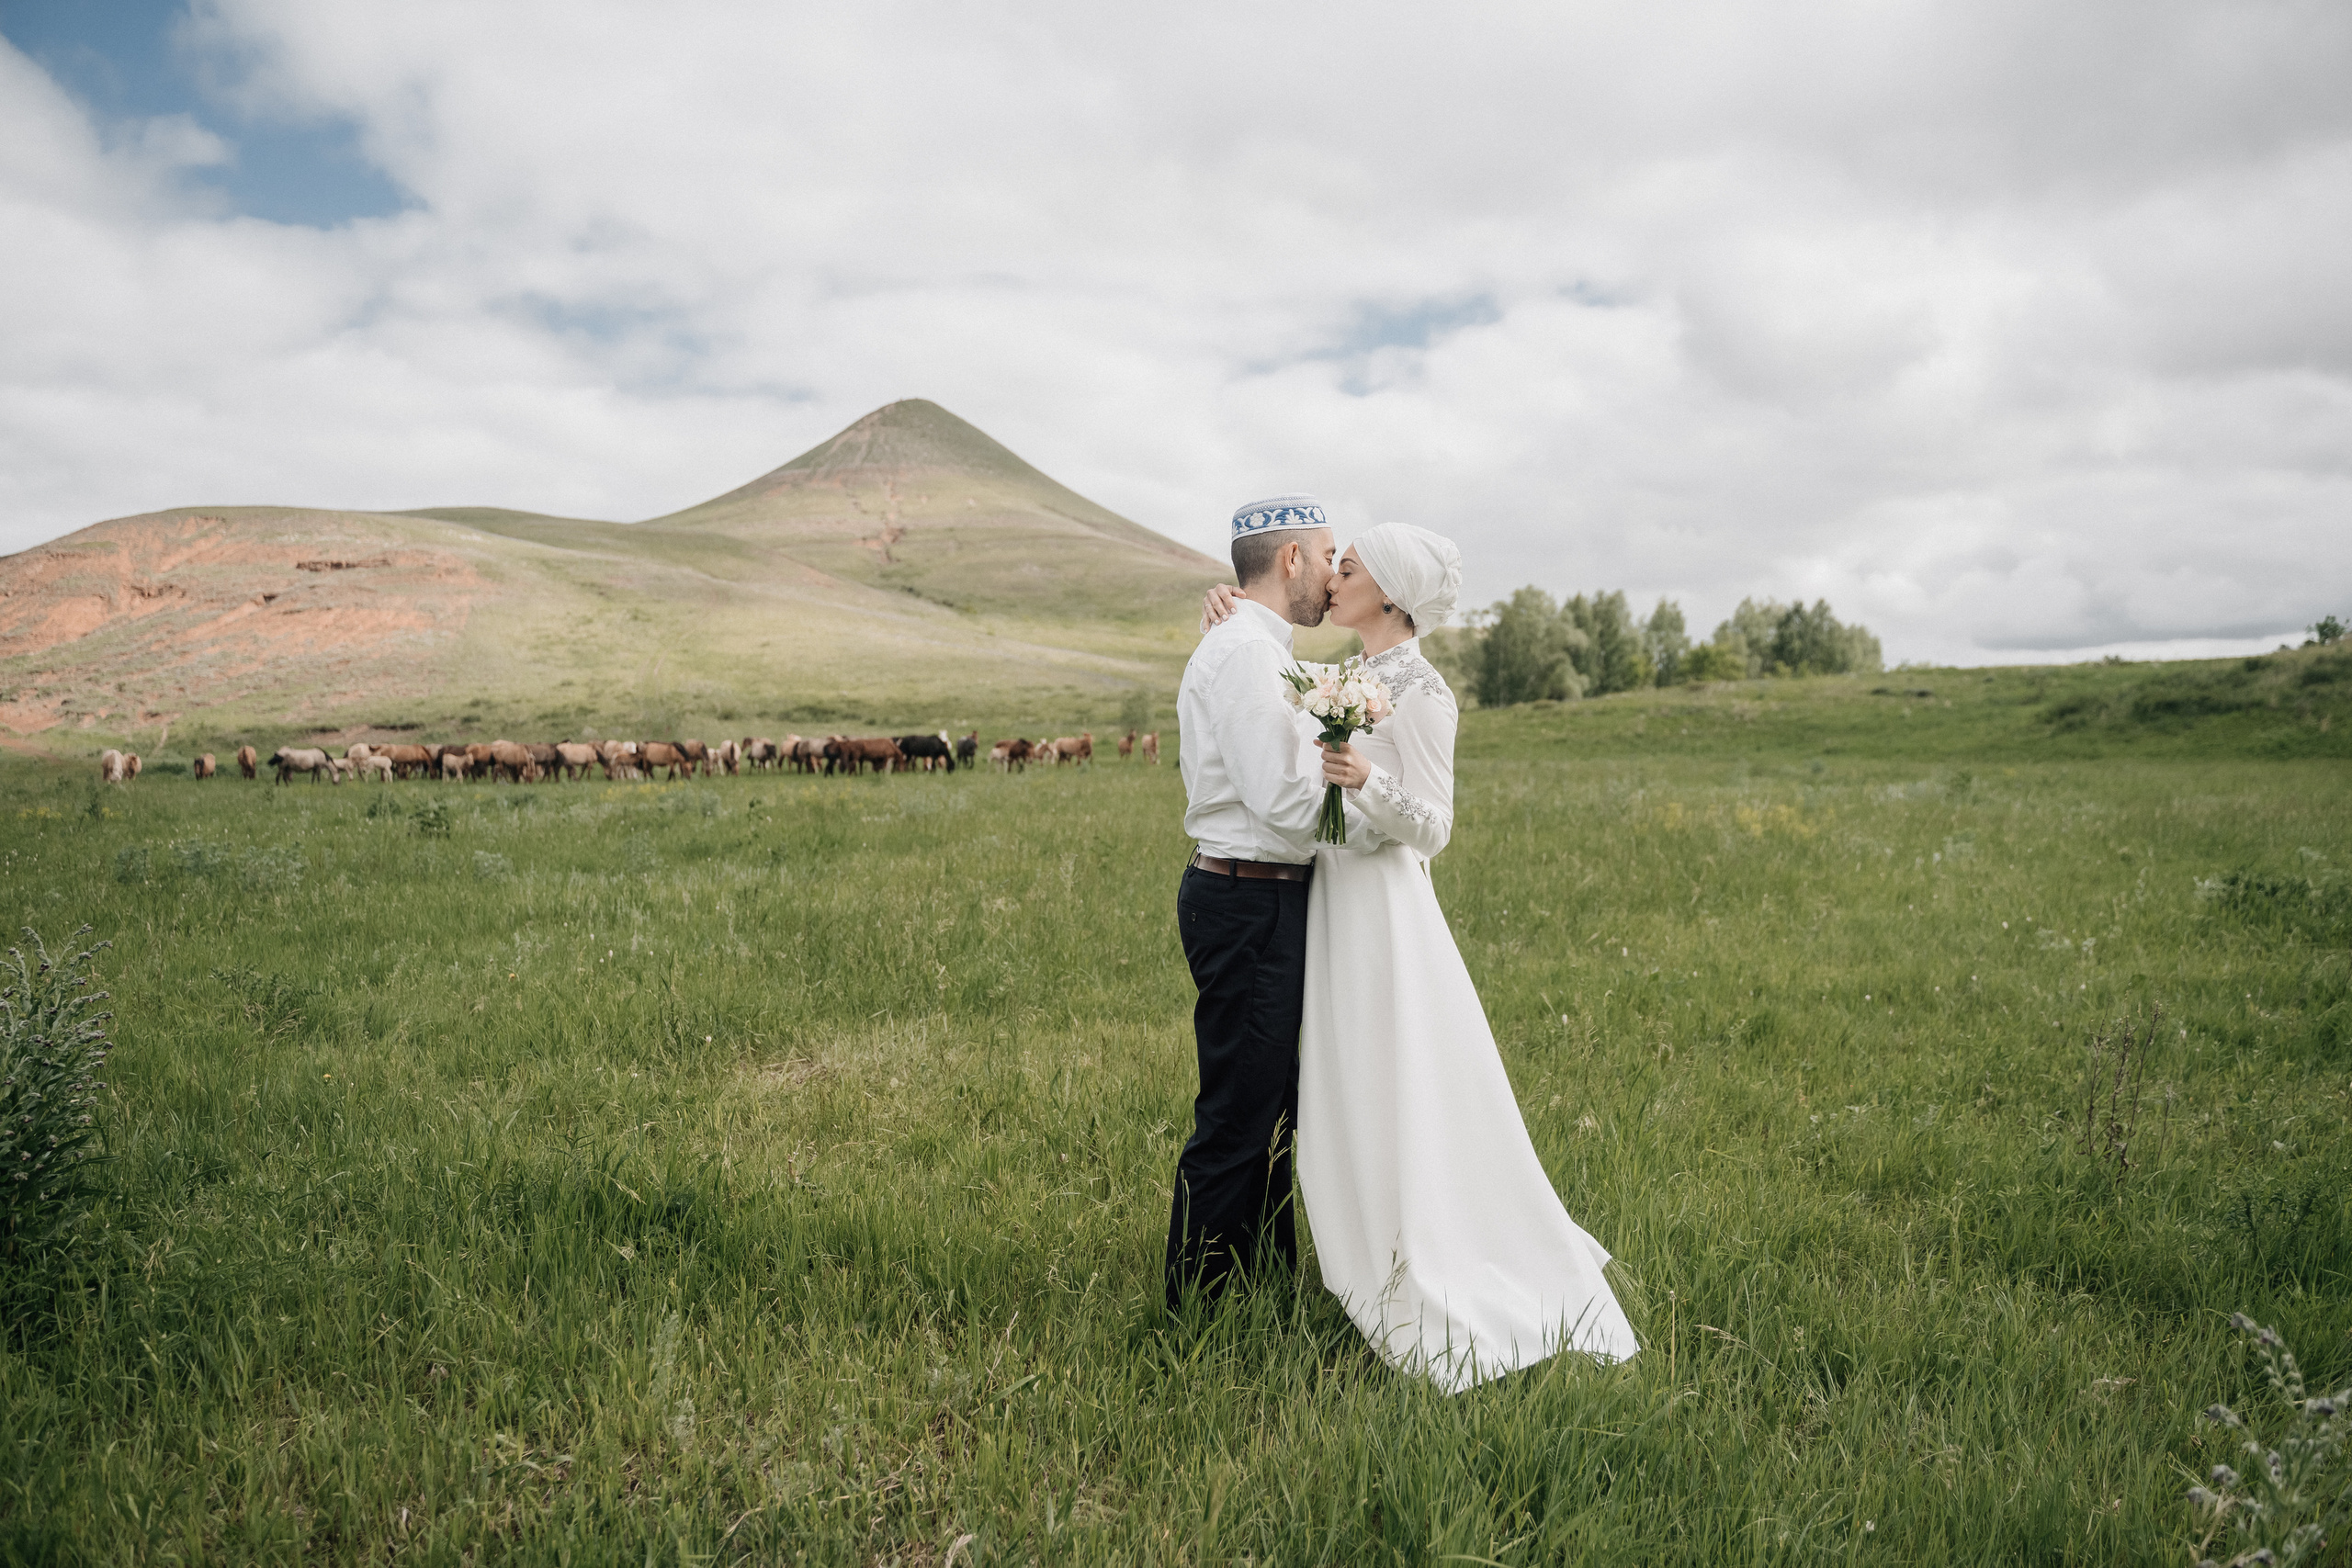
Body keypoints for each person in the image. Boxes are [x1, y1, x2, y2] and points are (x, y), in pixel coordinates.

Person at [1200, 524, 1639, 1391]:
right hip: (1333, 903)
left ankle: (1421, 1256)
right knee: (1341, 1087)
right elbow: (1272, 703)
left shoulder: (1424, 691)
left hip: (1386, 913)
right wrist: (1234, 617)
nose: (1334, 578)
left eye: (1350, 569)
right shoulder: (1348, 677)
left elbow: (1434, 826)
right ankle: (1355, 1241)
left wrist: (1367, 780)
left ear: (1390, 597)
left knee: (1393, 1080)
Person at [1164, 494, 1372, 1310]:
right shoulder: (1246, 655)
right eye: (1325, 557)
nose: (1331, 573)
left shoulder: (1259, 648)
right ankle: (1198, 1307)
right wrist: (1383, 816)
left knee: (1274, 1112)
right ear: (1290, 560)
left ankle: (1261, 1286)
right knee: (1239, 1114)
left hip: (1264, 897)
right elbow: (1285, 803)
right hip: (1248, 899)